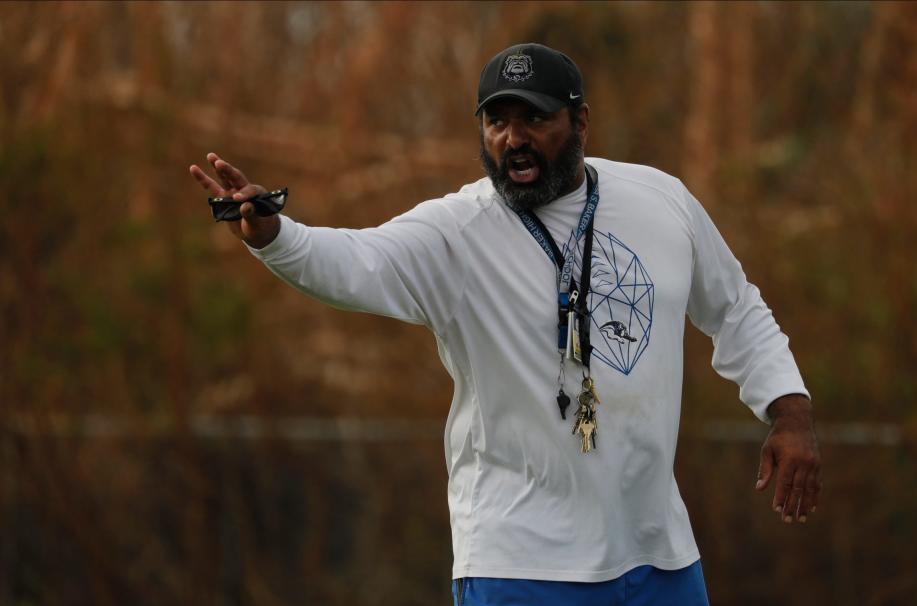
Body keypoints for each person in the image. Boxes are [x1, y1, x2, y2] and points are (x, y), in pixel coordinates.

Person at [189, 43, 821, 606]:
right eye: (497, 120)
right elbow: (357, 262)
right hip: (521, 561)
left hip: (658, 556)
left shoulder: (662, 201)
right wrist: (275, 235)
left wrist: (787, 410)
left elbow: (735, 305)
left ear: (580, 122)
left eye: (534, 119)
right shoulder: (458, 232)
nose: (512, 138)